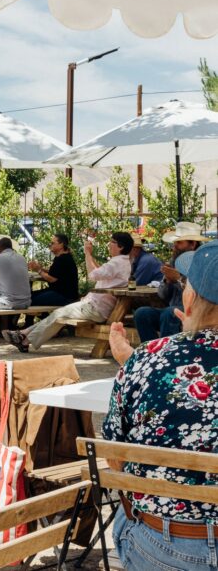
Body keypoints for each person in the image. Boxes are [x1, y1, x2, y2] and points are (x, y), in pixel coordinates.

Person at [103, 240, 218, 570]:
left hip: (164, 547)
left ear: (190, 297)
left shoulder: (149, 358)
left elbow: (116, 460)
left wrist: (135, 362)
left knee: (127, 518)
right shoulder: (148, 358)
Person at [2, 231, 133, 352]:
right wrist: (91, 256)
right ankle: (24, 336)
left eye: (112, 242)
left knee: (58, 314)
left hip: (95, 308)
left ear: (120, 246)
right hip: (93, 305)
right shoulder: (120, 262)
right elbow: (100, 272)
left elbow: (93, 275)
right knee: (58, 315)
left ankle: (24, 337)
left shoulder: (117, 263)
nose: (109, 244)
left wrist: (87, 253)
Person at [134, 221, 207, 343]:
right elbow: (162, 295)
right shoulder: (175, 261)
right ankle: (151, 352)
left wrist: (179, 278)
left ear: (193, 244)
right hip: (172, 310)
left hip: (197, 312)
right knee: (142, 313)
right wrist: (167, 280)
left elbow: (201, 293)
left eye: (179, 242)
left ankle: (167, 354)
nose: (175, 246)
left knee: (170, 312)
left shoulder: (203, 262)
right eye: (175, 243)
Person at [28, 233, 79, 308]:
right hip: (59, 292)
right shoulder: (62, 257)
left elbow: (52, 279)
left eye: (52, 243)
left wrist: (38, 270)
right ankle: (39, 318)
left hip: (64, 296)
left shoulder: (63, 259)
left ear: (61, 245)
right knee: (29, 296)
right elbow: (56, 273)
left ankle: (42, 318)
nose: (50, 245)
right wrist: (41, 268)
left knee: (29, 300)